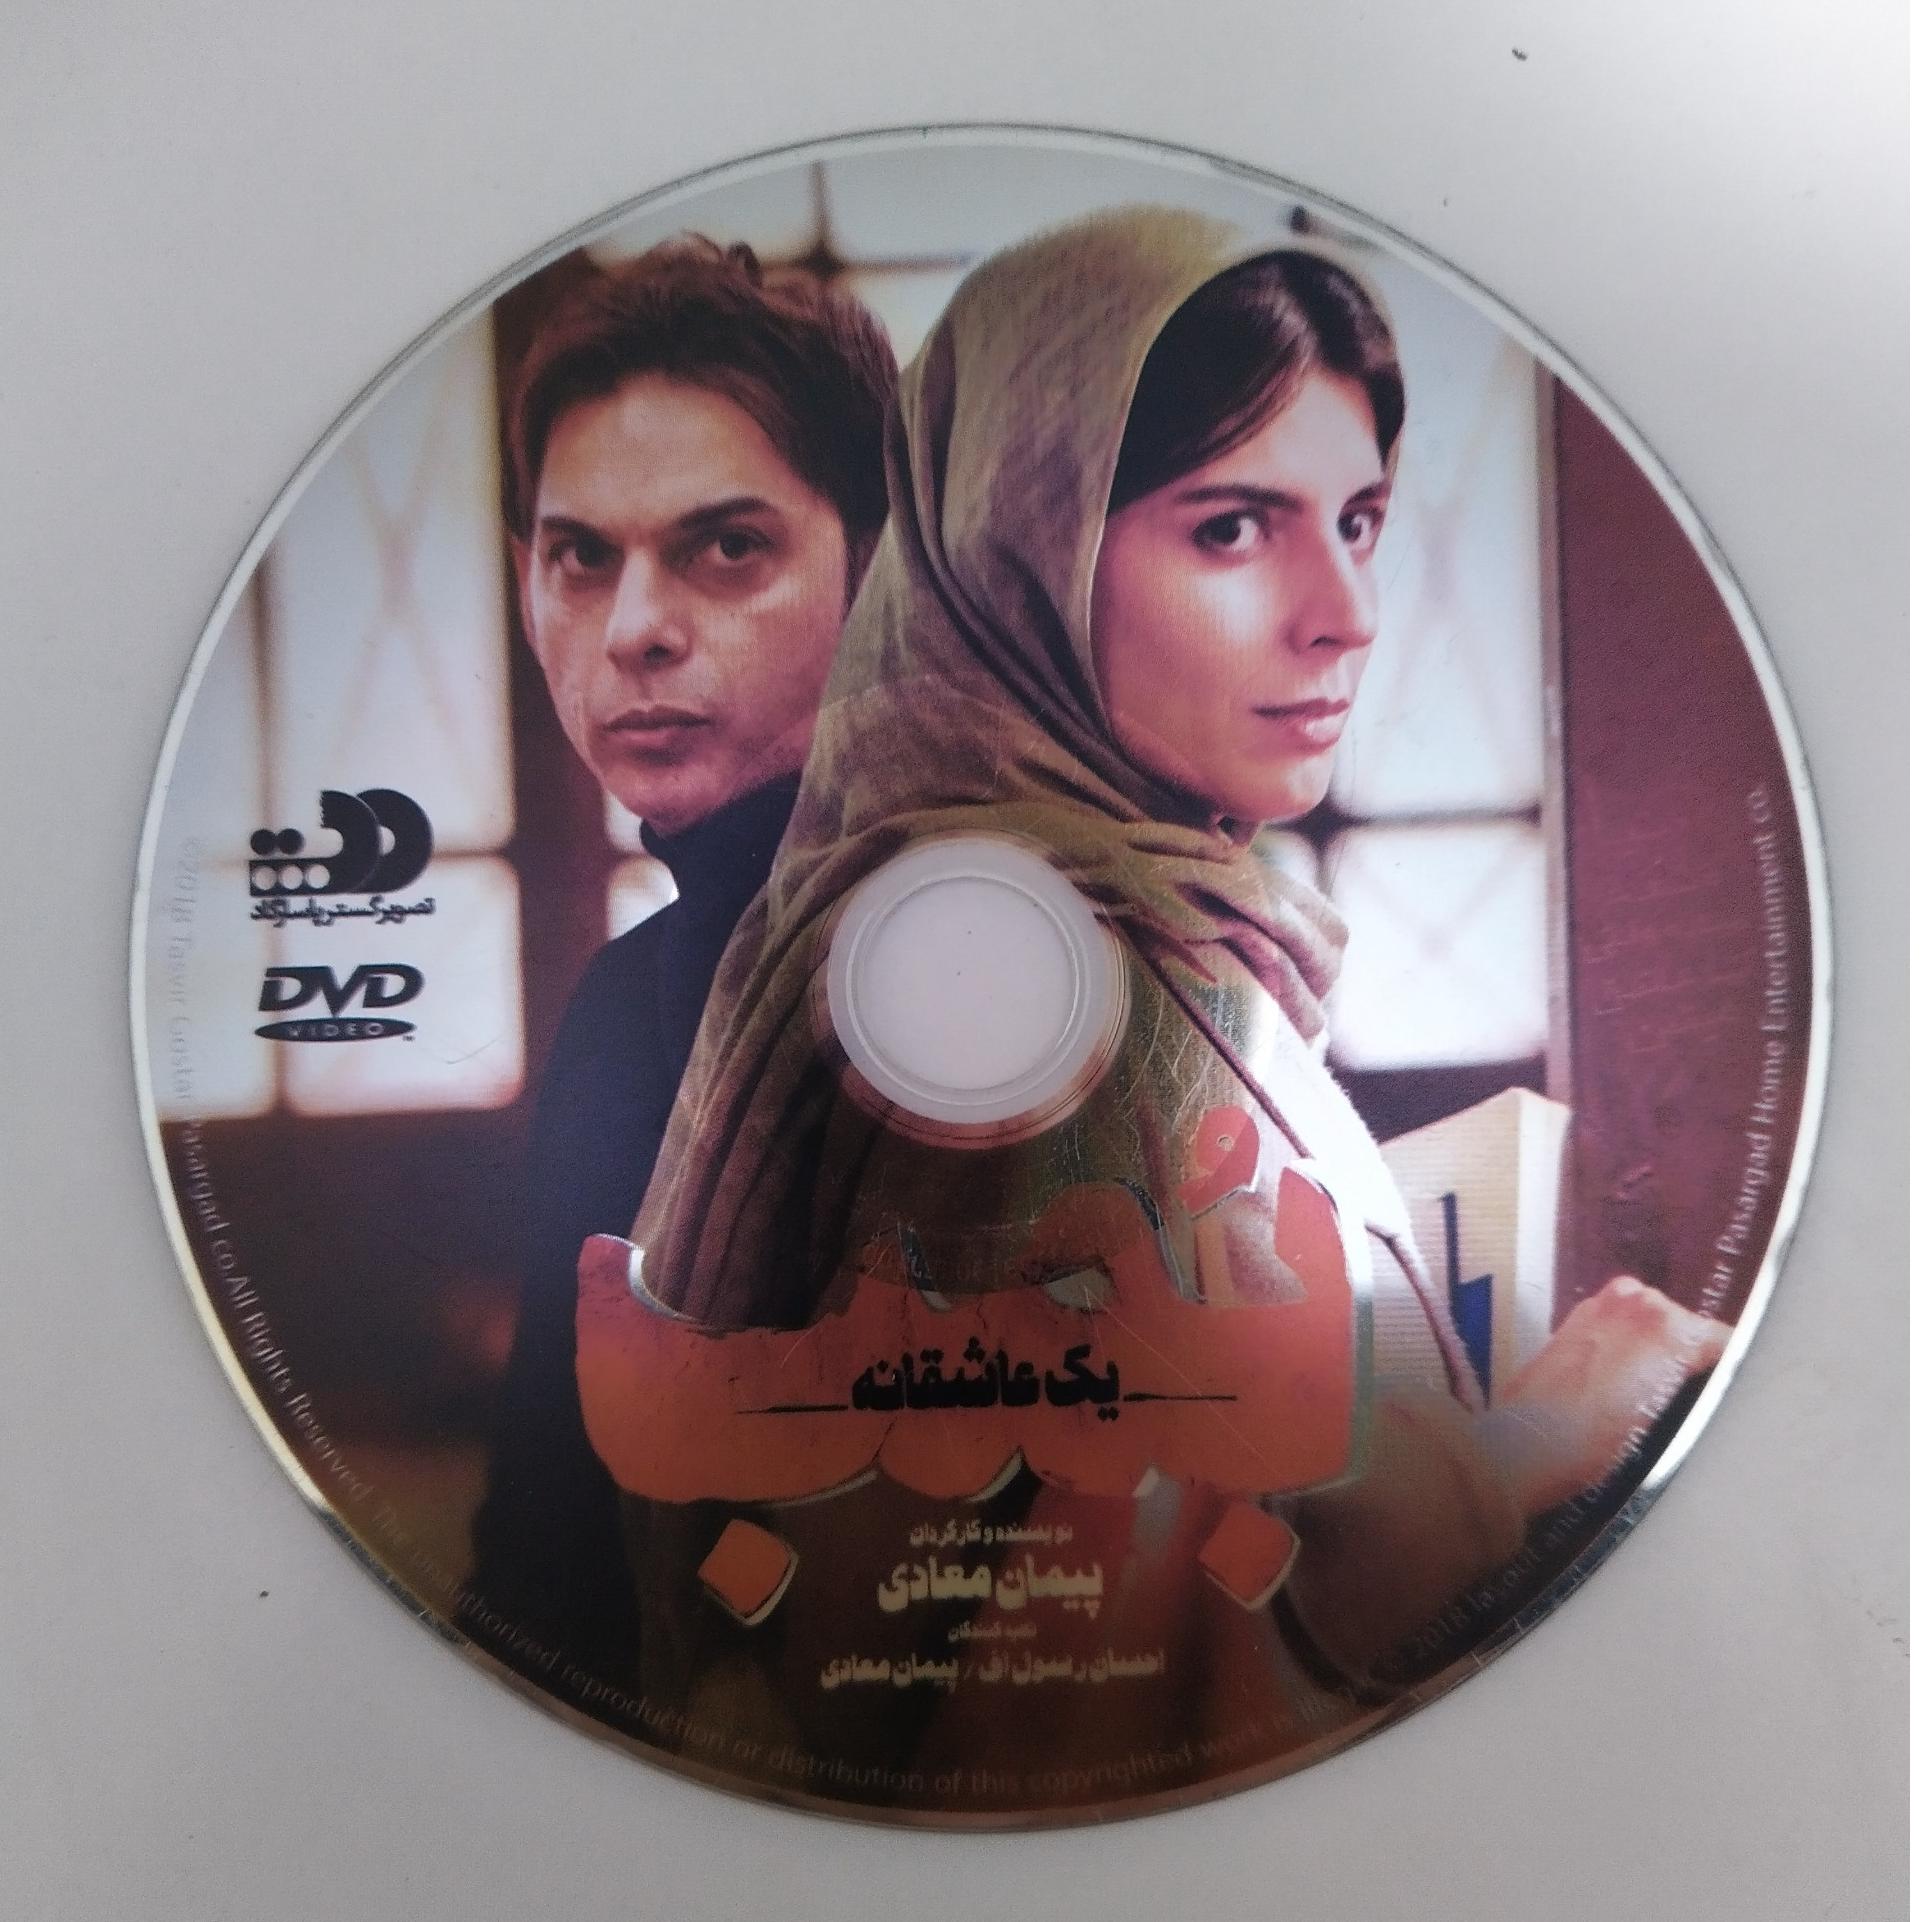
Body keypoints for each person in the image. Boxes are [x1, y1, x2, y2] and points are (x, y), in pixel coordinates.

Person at [613, 203, 1729, 1749]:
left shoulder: (1089, 914)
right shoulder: (1019, 988)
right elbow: (1058, 1690)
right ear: (1023, 541)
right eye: (1231, 528)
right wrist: (1539, 1443)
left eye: (1356, 520)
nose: (1344, 614)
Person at [466, 236, 897, 1672]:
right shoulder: (624, 1010)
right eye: (580, 559)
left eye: (727, 549)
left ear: (877, 565)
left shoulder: (987, 955)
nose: (636, 631)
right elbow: (546, 1577)